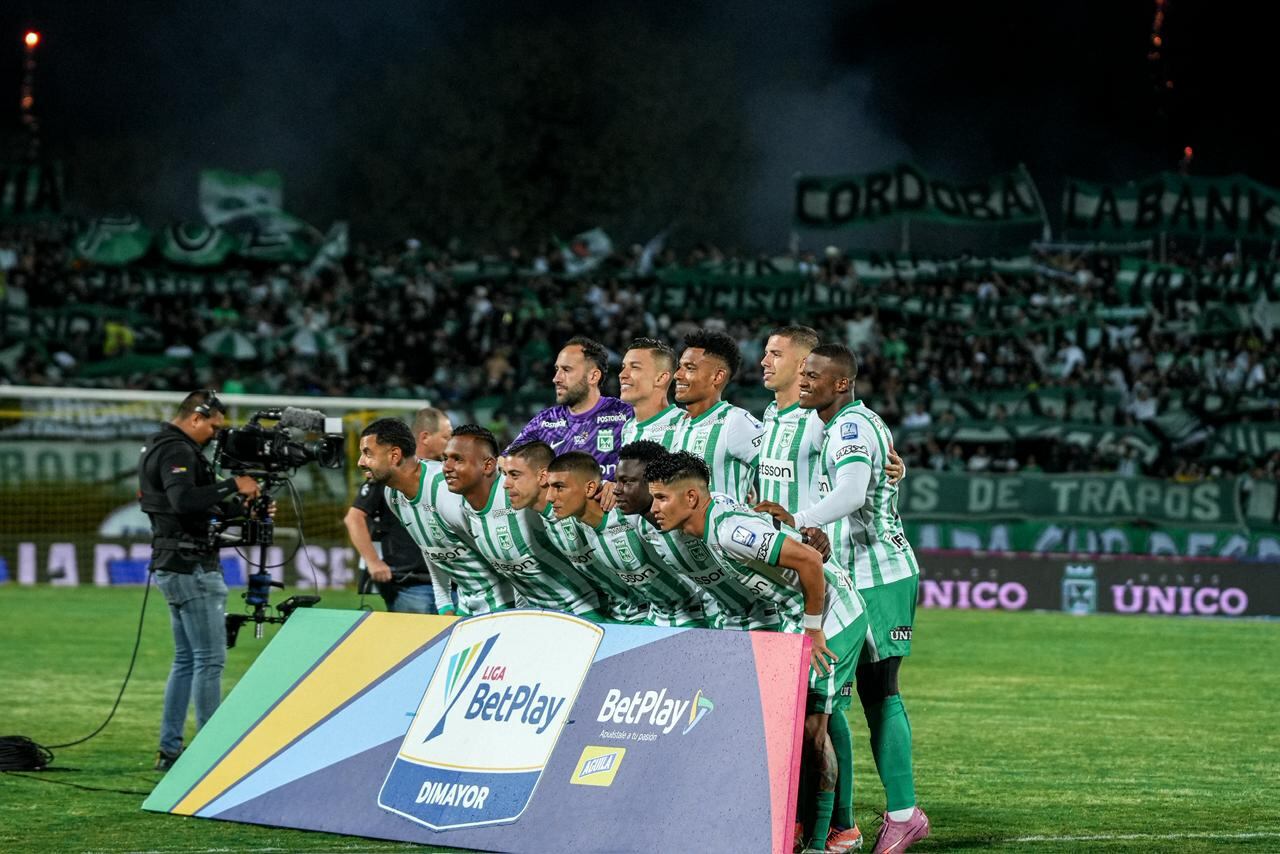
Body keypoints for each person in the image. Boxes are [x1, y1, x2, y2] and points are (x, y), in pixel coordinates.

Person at [645, 451, 866, 854]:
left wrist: (814, 632)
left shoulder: (729, 531)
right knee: (788, 727)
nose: (654, 508)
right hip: (794, 617)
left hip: (831, 615)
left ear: (691, 498)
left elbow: (811, 561)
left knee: (812, 728)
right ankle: (797, 828)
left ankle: (828, 840)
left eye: (662, 498)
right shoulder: (709, 520)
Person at [759, 344, 930, 853]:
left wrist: (797, 520)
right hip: (844, 574)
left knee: (879, 692)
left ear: (841, 383)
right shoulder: (831, 425)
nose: (804, 381)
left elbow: (854, 493)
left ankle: (902, 814)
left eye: (814, 375)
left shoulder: (852, 426)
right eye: (803, 373)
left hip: (878, 575)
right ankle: (836, 819)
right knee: (827, 694)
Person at [138, 390, 260, 771]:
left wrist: (241, 507)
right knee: (209, 660)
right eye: (213, 425)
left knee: (187, 660)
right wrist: (232, 486)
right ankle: (211, 754)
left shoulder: (160, 446)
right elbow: (184, 501)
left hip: (173, 563)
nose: (215, 434)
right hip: (191, 567)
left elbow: (193, 505)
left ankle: (170, 749)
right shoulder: (177, 451)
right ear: (196, 418)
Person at [357, 418, 517, 617]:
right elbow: (431, 547)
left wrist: (519, 610)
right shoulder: (393, 495)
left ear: (394, 455)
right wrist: (444, 603)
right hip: (466, 605)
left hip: (504, 604)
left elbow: (506, 552)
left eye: (367, 453)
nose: (360, 462)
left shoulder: (446, 492)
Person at [546, 451, 712, 627]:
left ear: (589, 488)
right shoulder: (577, 523)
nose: (550, 496)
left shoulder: (635, 516)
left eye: (559, 487)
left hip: (693, 614)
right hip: (654, 616)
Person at [451, 438, 607, 619]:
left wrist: (609, 488)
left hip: (590, 612)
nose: (506, 483)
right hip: (545, 616)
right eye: (505, 474)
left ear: (542, 477)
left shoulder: (577, 511)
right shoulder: (535, 513)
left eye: (515, 475)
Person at [345, 407, 452, 613]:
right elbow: (354, 517)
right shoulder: (385, 479)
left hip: (454, 582)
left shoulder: (447, 479)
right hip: (411, 581)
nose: (451, 443)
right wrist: (373, 562)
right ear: (425, 437)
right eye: (447, 437)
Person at [504, 336, 633, 480]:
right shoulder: (545, 421)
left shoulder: (625, 414)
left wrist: (619, 486)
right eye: (557, 369)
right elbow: (505, 460)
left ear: (593, 376)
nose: (556, 378)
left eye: (566, 370)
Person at [669, 328, 764, 502]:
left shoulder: (736, 422)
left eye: (689, 368)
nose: (677, 375)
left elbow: (779, 466)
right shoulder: (677, 423)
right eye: (679, 367)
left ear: (717, 376)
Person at [618, 337, 682, 448]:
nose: (622, 374)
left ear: (661, 378)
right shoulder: (628, 428)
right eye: (623, 367)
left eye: (635, 367)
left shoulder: (683, 426)